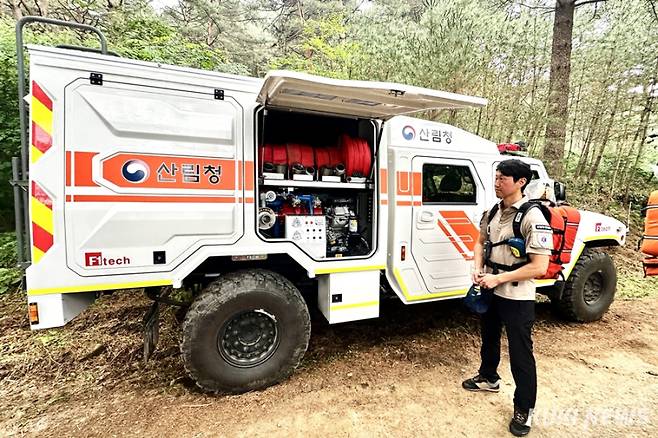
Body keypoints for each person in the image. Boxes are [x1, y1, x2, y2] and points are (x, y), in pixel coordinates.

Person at [462, 159, 553, 437]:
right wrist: (477, 267)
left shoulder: (532, 217)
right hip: (490, 287)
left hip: (516, 294)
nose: (496, 182)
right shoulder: (492, 211)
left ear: (521, 182)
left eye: (503, 178)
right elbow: (480, 243)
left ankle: (524, 409)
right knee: (488, 337)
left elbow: (540, 266)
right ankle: (489, 377)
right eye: (496, 177)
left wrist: (498, 278)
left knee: (520, 353)